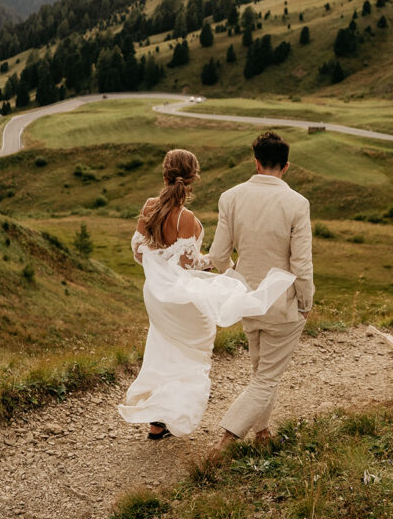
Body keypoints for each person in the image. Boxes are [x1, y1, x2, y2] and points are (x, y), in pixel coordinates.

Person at [118, 147, 295, 440]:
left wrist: (159, 262)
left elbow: (139, 252)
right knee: (191, 355)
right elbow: (190, 264)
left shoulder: (149, 207)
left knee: (162, 350)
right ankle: (176, 414)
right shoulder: (189, 220)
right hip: (182, 299)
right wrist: (212, 260)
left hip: (156, 296)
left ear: (165, 174)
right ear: (193, 180)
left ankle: (157, 422)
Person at [206, 130, 314, 461]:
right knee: (266, 378)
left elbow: (218, 256)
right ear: (286, 166)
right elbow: (301, 263)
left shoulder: (230, 197)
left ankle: (262, 433)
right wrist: (305, 302)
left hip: (247, 301)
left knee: (259, 372)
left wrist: (235, 277)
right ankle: (225, 439)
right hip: (282, 306)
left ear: (255, 162)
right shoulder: (297, 203)